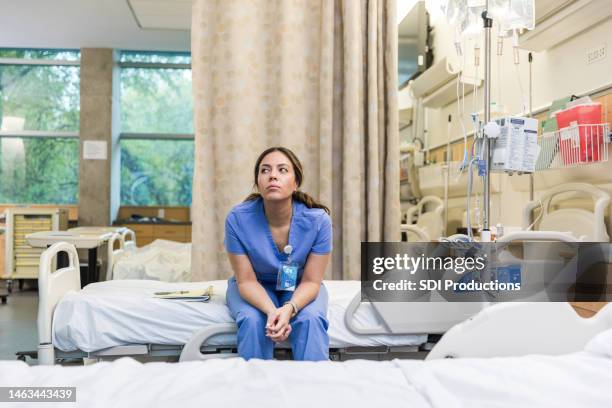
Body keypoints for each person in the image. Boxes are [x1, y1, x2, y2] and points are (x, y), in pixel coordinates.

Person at [224, 146, 332, 361]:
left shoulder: (318, 221)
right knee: (252, 319)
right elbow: (245, 281)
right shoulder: (237, 219)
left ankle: (316, 388)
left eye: (282, 170)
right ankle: (255, 389)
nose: (272, 175)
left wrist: (290, 308)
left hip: (300, 286)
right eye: (265, 170)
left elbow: (312, 281)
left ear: (296, 182)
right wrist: (273, 312)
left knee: (310, 318)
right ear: (257, 183)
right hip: (254, 286)